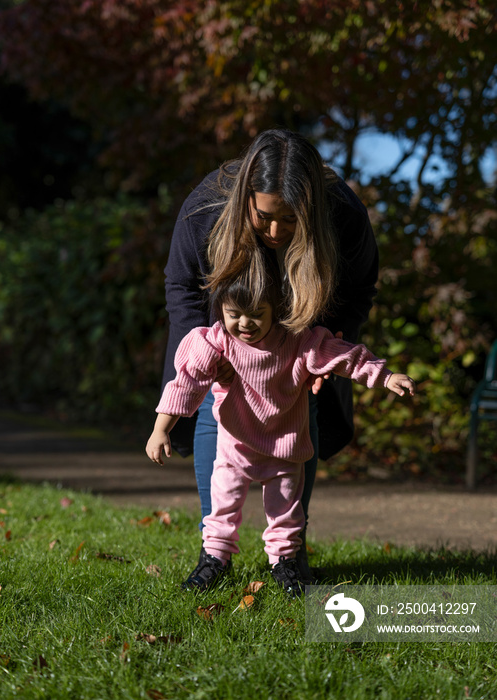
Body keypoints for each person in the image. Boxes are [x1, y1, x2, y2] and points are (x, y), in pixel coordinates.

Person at [161, 128, 379, 582]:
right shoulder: (205, 209)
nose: (276, 231)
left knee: (303, 418)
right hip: (225, 335)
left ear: (312, 210)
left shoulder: (343, 212)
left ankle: (289, 554)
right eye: (264, 217)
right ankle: (215, 552)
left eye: (291, 219)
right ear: (245, 202)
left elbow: (359, 289)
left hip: (299, 340)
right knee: (213, 415)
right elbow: (181, 286)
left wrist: (335, 341)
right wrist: (197, 351)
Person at [147, 272, 415, 597]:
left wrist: (384, 376)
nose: (245, 323)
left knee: (287, 512)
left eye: (257, 314)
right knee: (222, 508)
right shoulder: (214, 343)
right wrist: (161, 429)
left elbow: (344, 356)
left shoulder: (300, 343)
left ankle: (285, 564)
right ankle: (214, 558)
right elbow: (186, 383)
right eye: (234, 315)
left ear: (276, 310)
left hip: (285, 448)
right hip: (235, 448)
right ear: (221, 311)